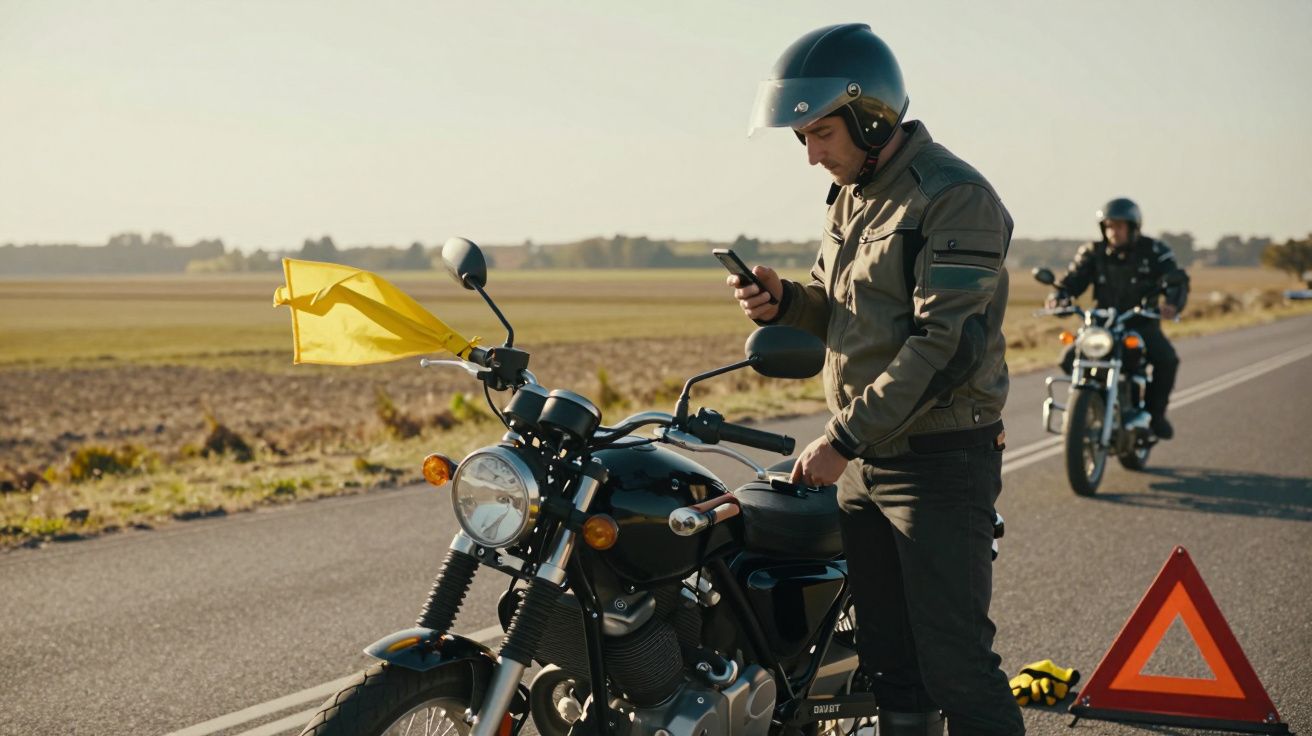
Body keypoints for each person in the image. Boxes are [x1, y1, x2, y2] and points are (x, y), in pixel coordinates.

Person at [733, 23, 1022, 736]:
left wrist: (840, 439)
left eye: (820, 134)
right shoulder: (854, 192)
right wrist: (785, 302)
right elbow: (844, 311)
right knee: (890, 663)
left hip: (938, 463)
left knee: (955, 664)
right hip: (866, 461)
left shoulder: (953, 197)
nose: (811, 155)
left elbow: (941, 349)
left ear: (871, 115)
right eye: (802, 140)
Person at [1045, 198, 1190, 439]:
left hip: (1140, 323)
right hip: (1102, 326)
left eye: (1120, 226)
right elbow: (1072, 279)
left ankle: (1156, 415)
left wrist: (1172, 304)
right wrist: (1058, 297)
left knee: (1167, 360)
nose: (1114, 232)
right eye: (1109, 226)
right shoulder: (1093, 252)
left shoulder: (1154, 251)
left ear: (1133, 228)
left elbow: (1175, 279)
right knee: (1068, 357)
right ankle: (1093, 402)